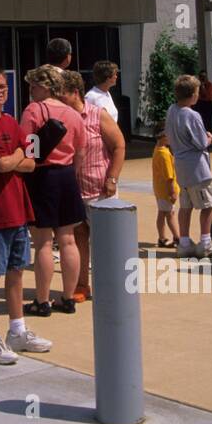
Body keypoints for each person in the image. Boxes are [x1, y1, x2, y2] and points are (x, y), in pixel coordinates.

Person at [0, 68, 51, 364]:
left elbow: (32, 163)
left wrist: (16, 156)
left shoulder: (11, 120)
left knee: (16, 272)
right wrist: (17, 155)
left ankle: (17, 330)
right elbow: (0, 164)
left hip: (19, 206)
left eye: (2, 86)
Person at [19, 65, 87, 315]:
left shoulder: (34, 110)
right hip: (67, 175)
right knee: (68, 239)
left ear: (45, 86)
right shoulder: (72, 113)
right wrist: (73, 173)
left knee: (43, 242)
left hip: (42, 176)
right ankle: (68, 298)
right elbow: (81, 150)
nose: (31, 90)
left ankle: (42, 300)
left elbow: (28, 149)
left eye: (33, 85)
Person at [59, 70, 125, 302]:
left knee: (105, 242)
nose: (58, 100)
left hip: (101, 190)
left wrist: (112, 178)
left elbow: (118, 146)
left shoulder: (98, 115)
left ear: (74, 92)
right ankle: (82, 284)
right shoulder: (61, 118)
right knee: (79, 237)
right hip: (74, 190)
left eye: (62, 94)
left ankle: (110, 284)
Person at [165, 74, 212, 259]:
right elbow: (201, 142)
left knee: (185, 206)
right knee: (207, 205)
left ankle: (184, 242)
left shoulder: (172, 110)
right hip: (196, 168)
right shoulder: (192, 115)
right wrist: (209, 137)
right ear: (193, 94)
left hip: (181, 165)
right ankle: (205, 242)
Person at [151, 124, 180, 248]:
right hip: (166, 190)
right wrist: (172, 192)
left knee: (162, 213)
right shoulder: (164, 154)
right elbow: (169, 177)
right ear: (163, 136)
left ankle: (162, 238)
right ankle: (178, 238)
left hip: (159, 189)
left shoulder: (158, 149)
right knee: (170, 214)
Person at [195, 70, 212, 141]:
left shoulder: (209, 85)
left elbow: (206, 96)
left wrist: (203, 85)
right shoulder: (197, 86)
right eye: (201, 77)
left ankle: (209, 139)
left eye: (204, 77)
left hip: (208, 104)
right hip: (200, 104)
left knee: (207, 122)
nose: (202, 78)